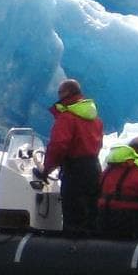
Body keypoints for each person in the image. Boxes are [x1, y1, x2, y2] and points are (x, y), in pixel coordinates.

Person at [40, 78, 103, 233]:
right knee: (91, 212)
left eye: (60, 92)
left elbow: (58, 145)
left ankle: (72, 249)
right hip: (94, 168)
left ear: (66, 93)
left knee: (74, 215)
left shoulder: (67, 118)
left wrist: (47, 169)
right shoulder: (94, 118)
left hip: (75, 171)